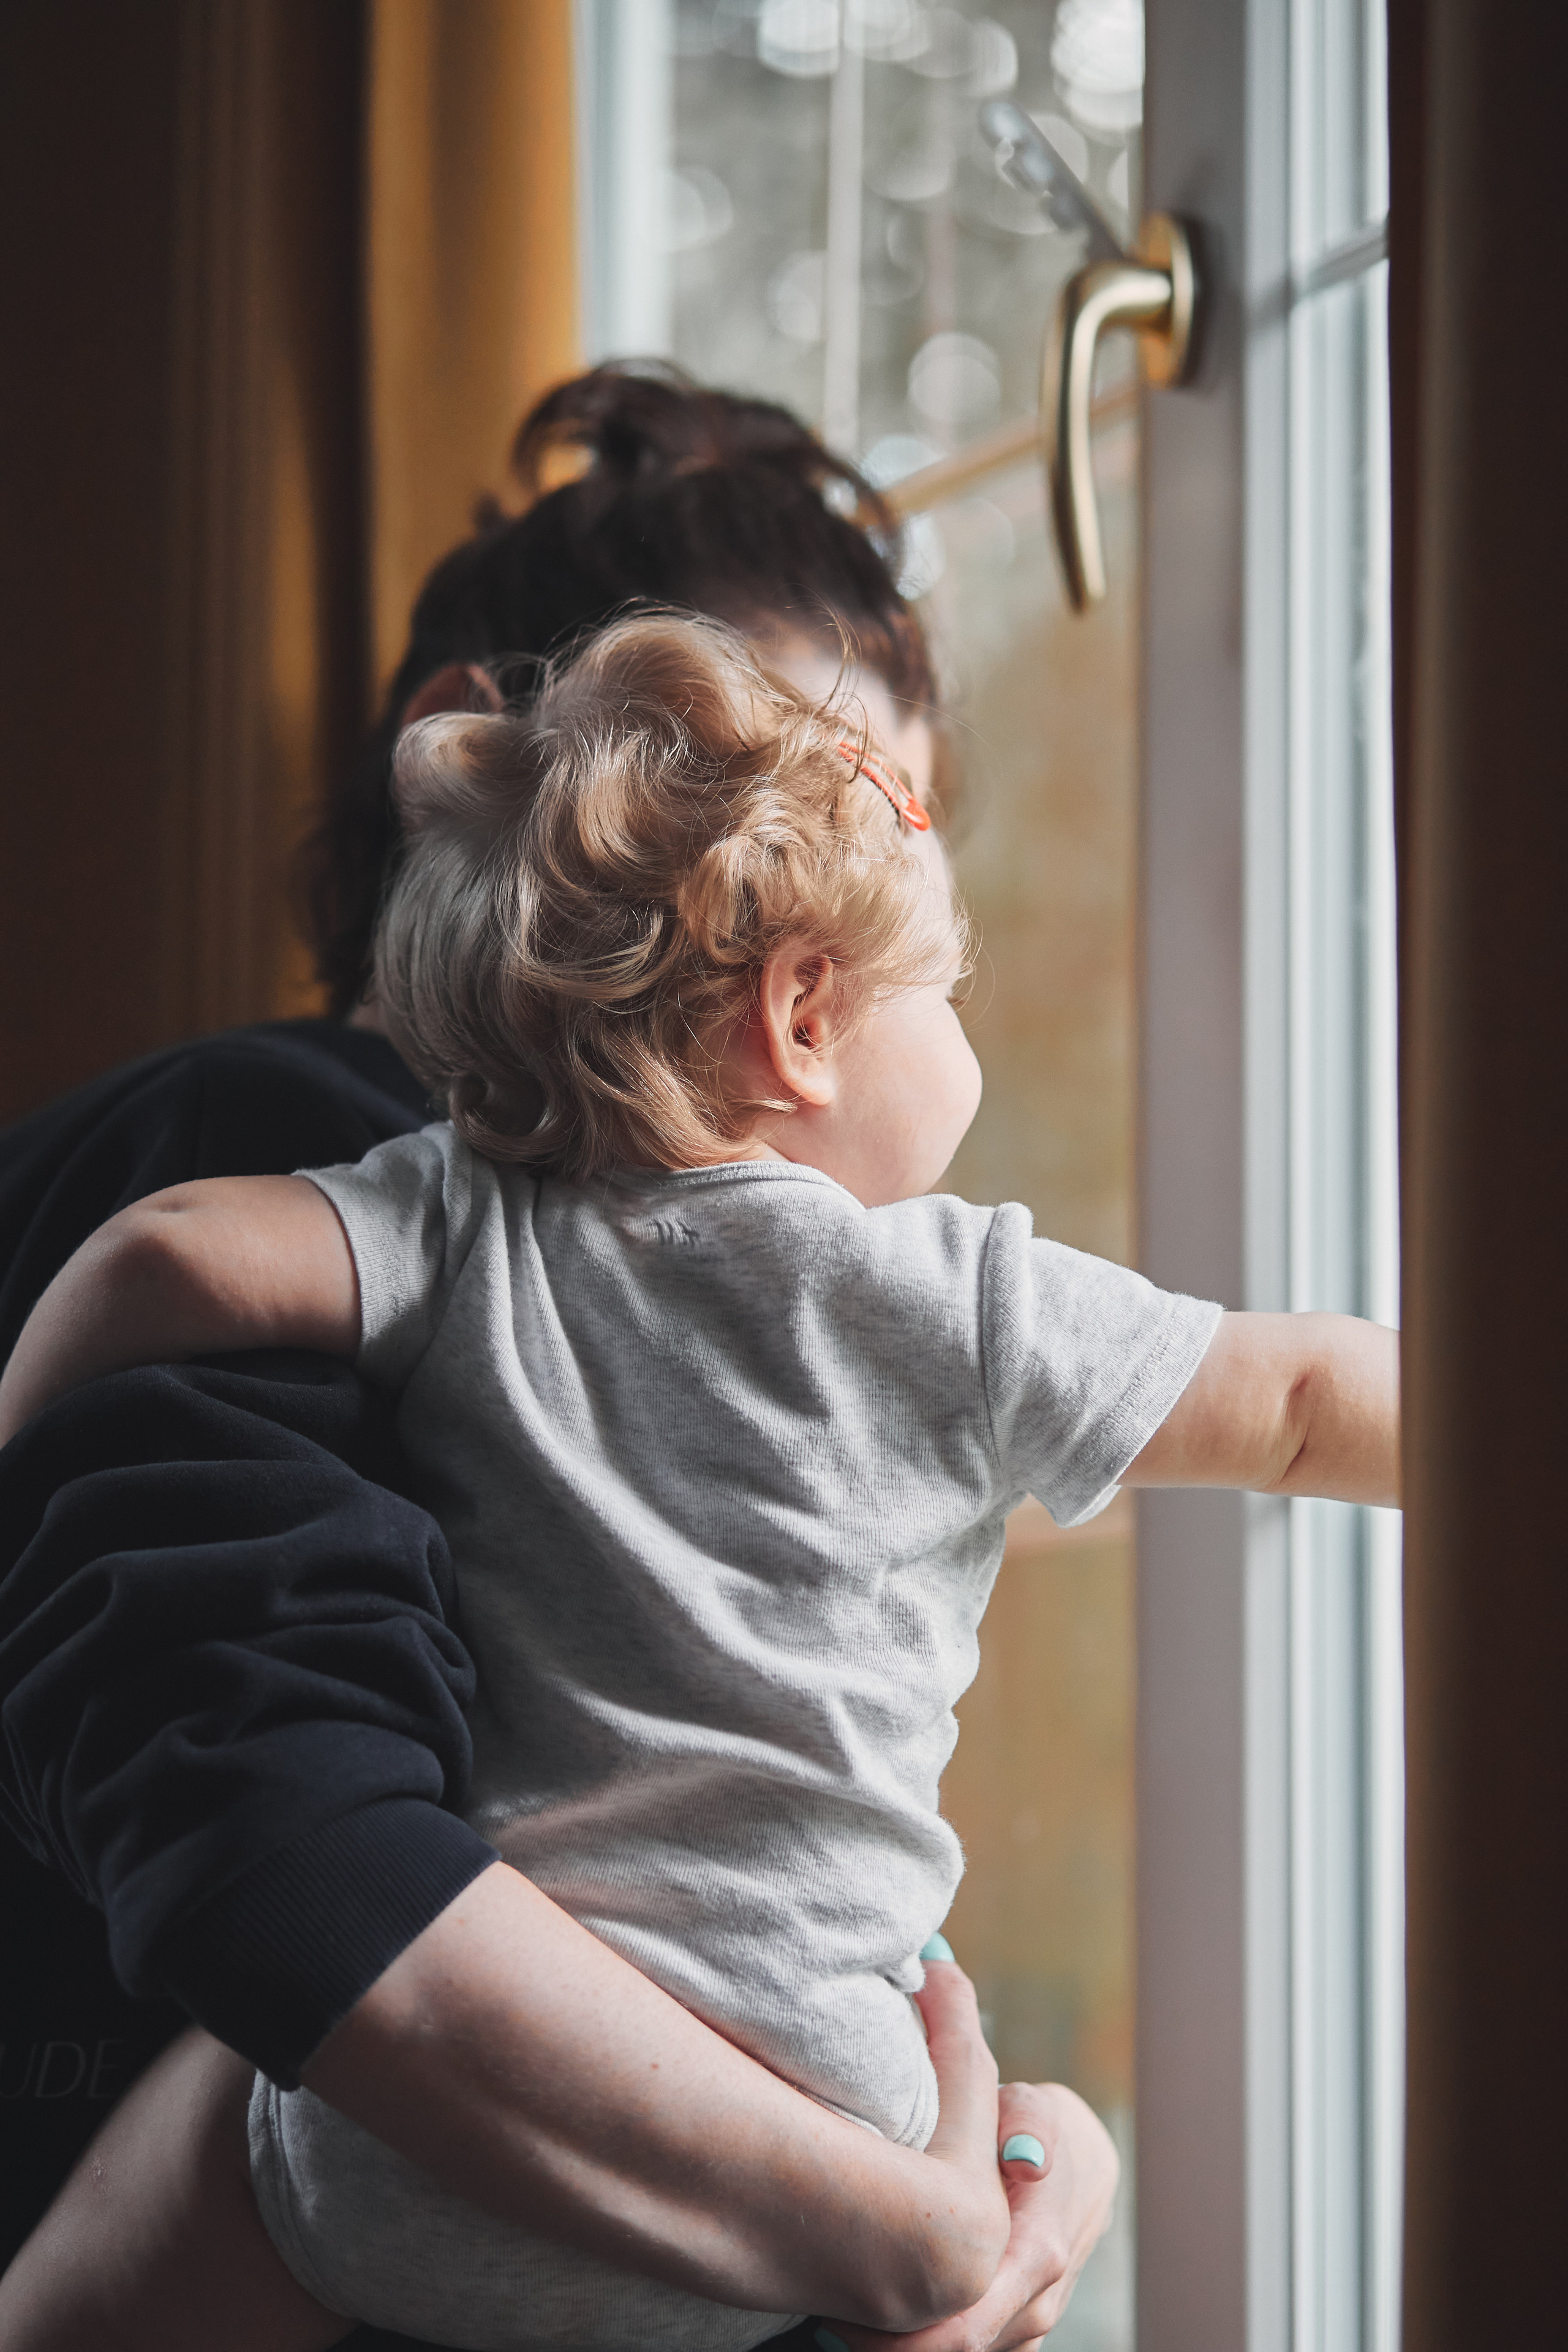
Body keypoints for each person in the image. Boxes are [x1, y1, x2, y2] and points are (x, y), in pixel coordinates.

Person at [0, 611, 1400, 2351]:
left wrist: (34, 1405)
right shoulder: (953, 1302)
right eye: (945, 992)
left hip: (421, 2156)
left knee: (192, 2157)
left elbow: (173, 1253)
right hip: (833, 2124)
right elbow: (1307, 1398)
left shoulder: (454, 1221)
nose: (967, 1027)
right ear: (805, 1015)